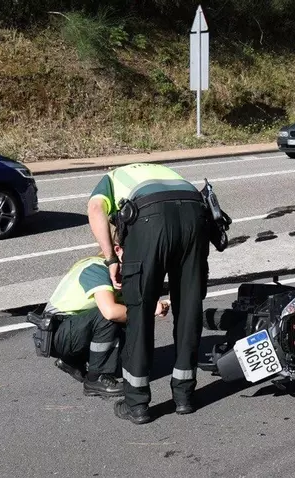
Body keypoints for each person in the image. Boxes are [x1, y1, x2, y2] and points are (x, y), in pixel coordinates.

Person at [87, 163, 211, 424]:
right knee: (189, 308)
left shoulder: (110, 179)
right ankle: (185, 397)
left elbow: (95, 209)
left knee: (140, 311)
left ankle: (137, 404)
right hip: (194, 213)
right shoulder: (161, 171)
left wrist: (111, 259)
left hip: (149, 218)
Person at [46, 228, 170, 399]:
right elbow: (110, 312)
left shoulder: (121, 272)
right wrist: (149, 311)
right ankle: (96, 379)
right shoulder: (97, 268)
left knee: (128, 314)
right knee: (110, 316)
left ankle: (74, 360)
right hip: (58, 332)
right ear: (118, 250)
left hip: (72, 328)